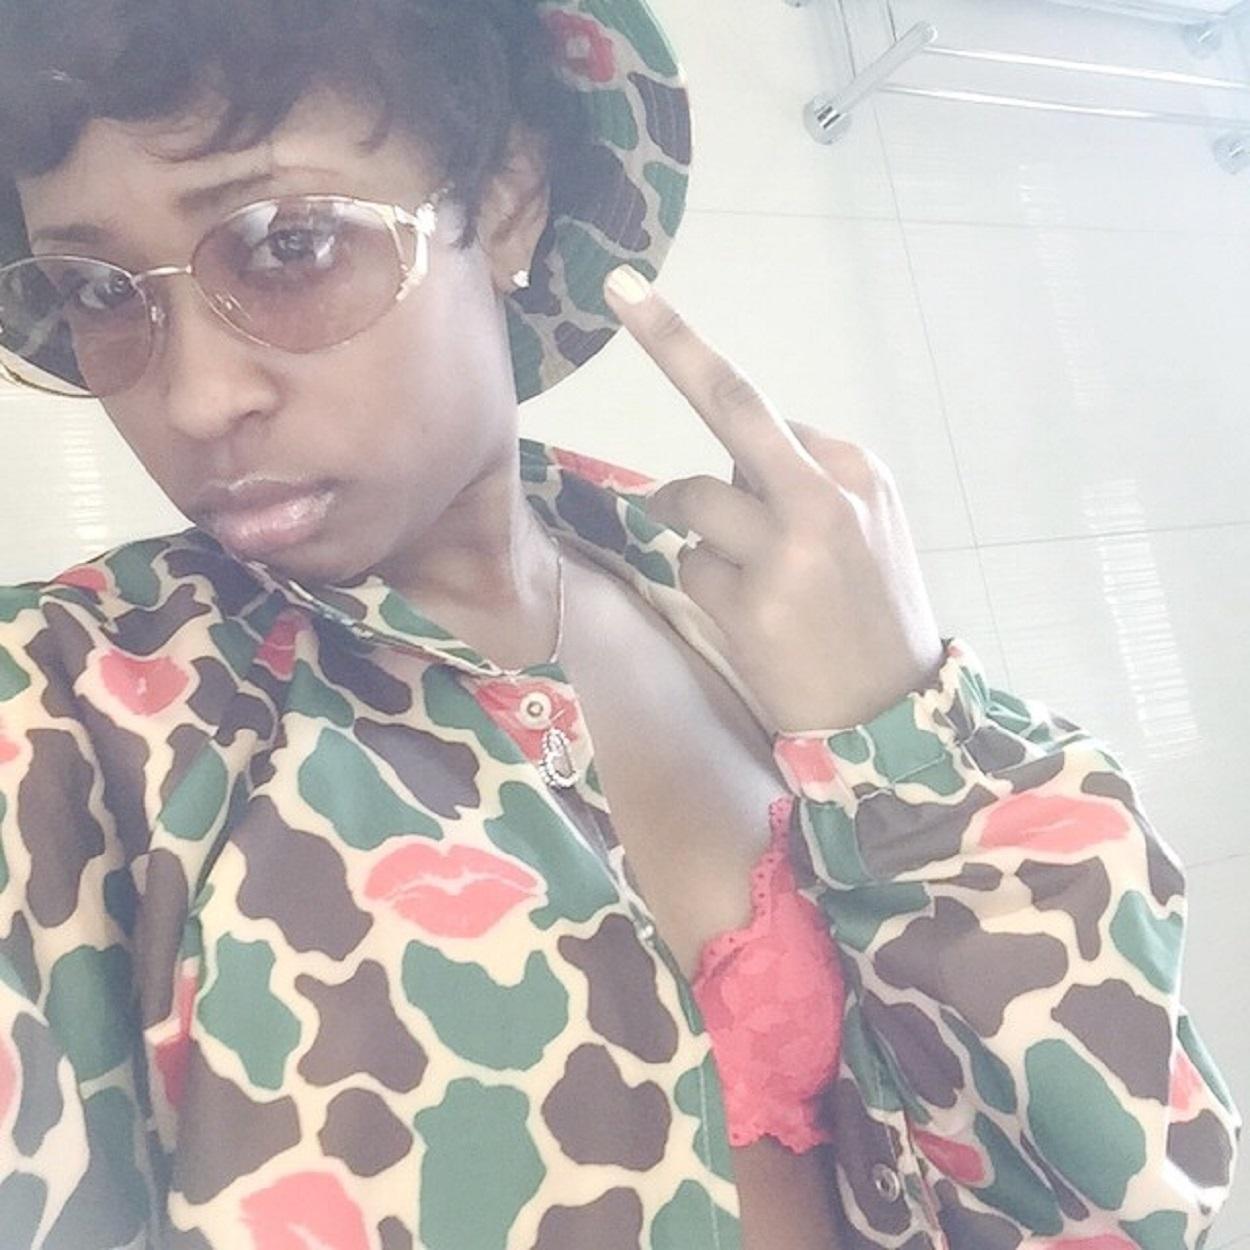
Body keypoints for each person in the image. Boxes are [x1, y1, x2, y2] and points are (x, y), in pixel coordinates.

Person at [0, 0, 1238, 1247]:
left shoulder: (734, 604)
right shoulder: (77, 714)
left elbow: (1117, 1192)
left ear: (504, 203)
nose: (194, 397)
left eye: (288, 244)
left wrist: (902, 733)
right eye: (97, 289)